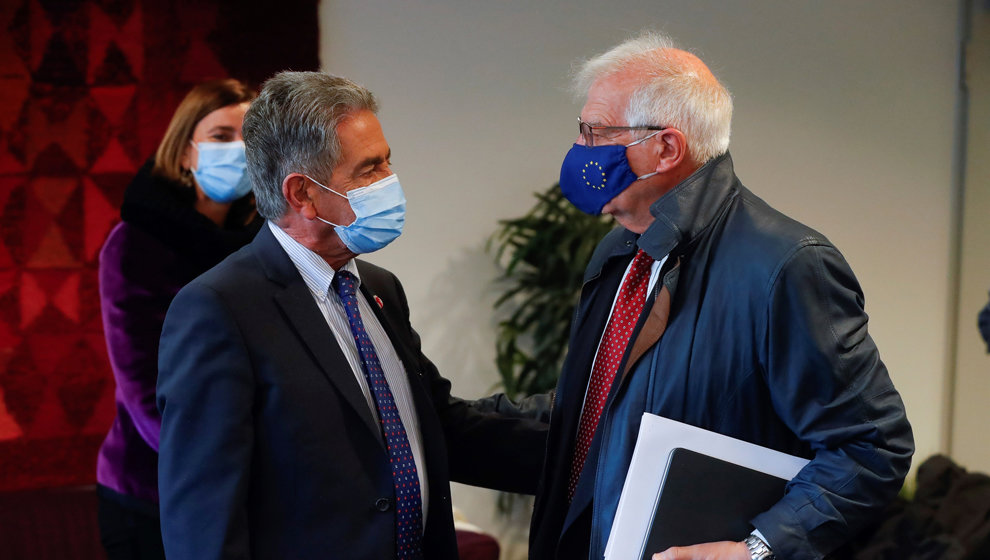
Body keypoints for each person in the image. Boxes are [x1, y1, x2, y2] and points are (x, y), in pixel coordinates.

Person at [528, 32, 914, 560]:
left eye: (598, 133)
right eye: (582, 130)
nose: (581, 149)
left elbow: (871, 446)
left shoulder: (787, 264)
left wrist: (756, 550)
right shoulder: (619, 253)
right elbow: (599, 408)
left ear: (665, 148)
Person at [155, 71, 548, 560]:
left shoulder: (380, 288)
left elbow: (436, 427)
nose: (390, 182)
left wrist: (594, 419)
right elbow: (203, 520)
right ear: (302, 193)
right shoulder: (219, 308)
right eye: (369, 170)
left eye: (387, 162)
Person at [95, 78, 261, 560]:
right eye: (222, 136)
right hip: (156, 492)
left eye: (250, 136)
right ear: (186, 151)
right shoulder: (136, 244)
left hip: (245, 487)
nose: (239, 149)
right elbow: (143, 386)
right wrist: (232, 468)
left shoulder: (262, 242)